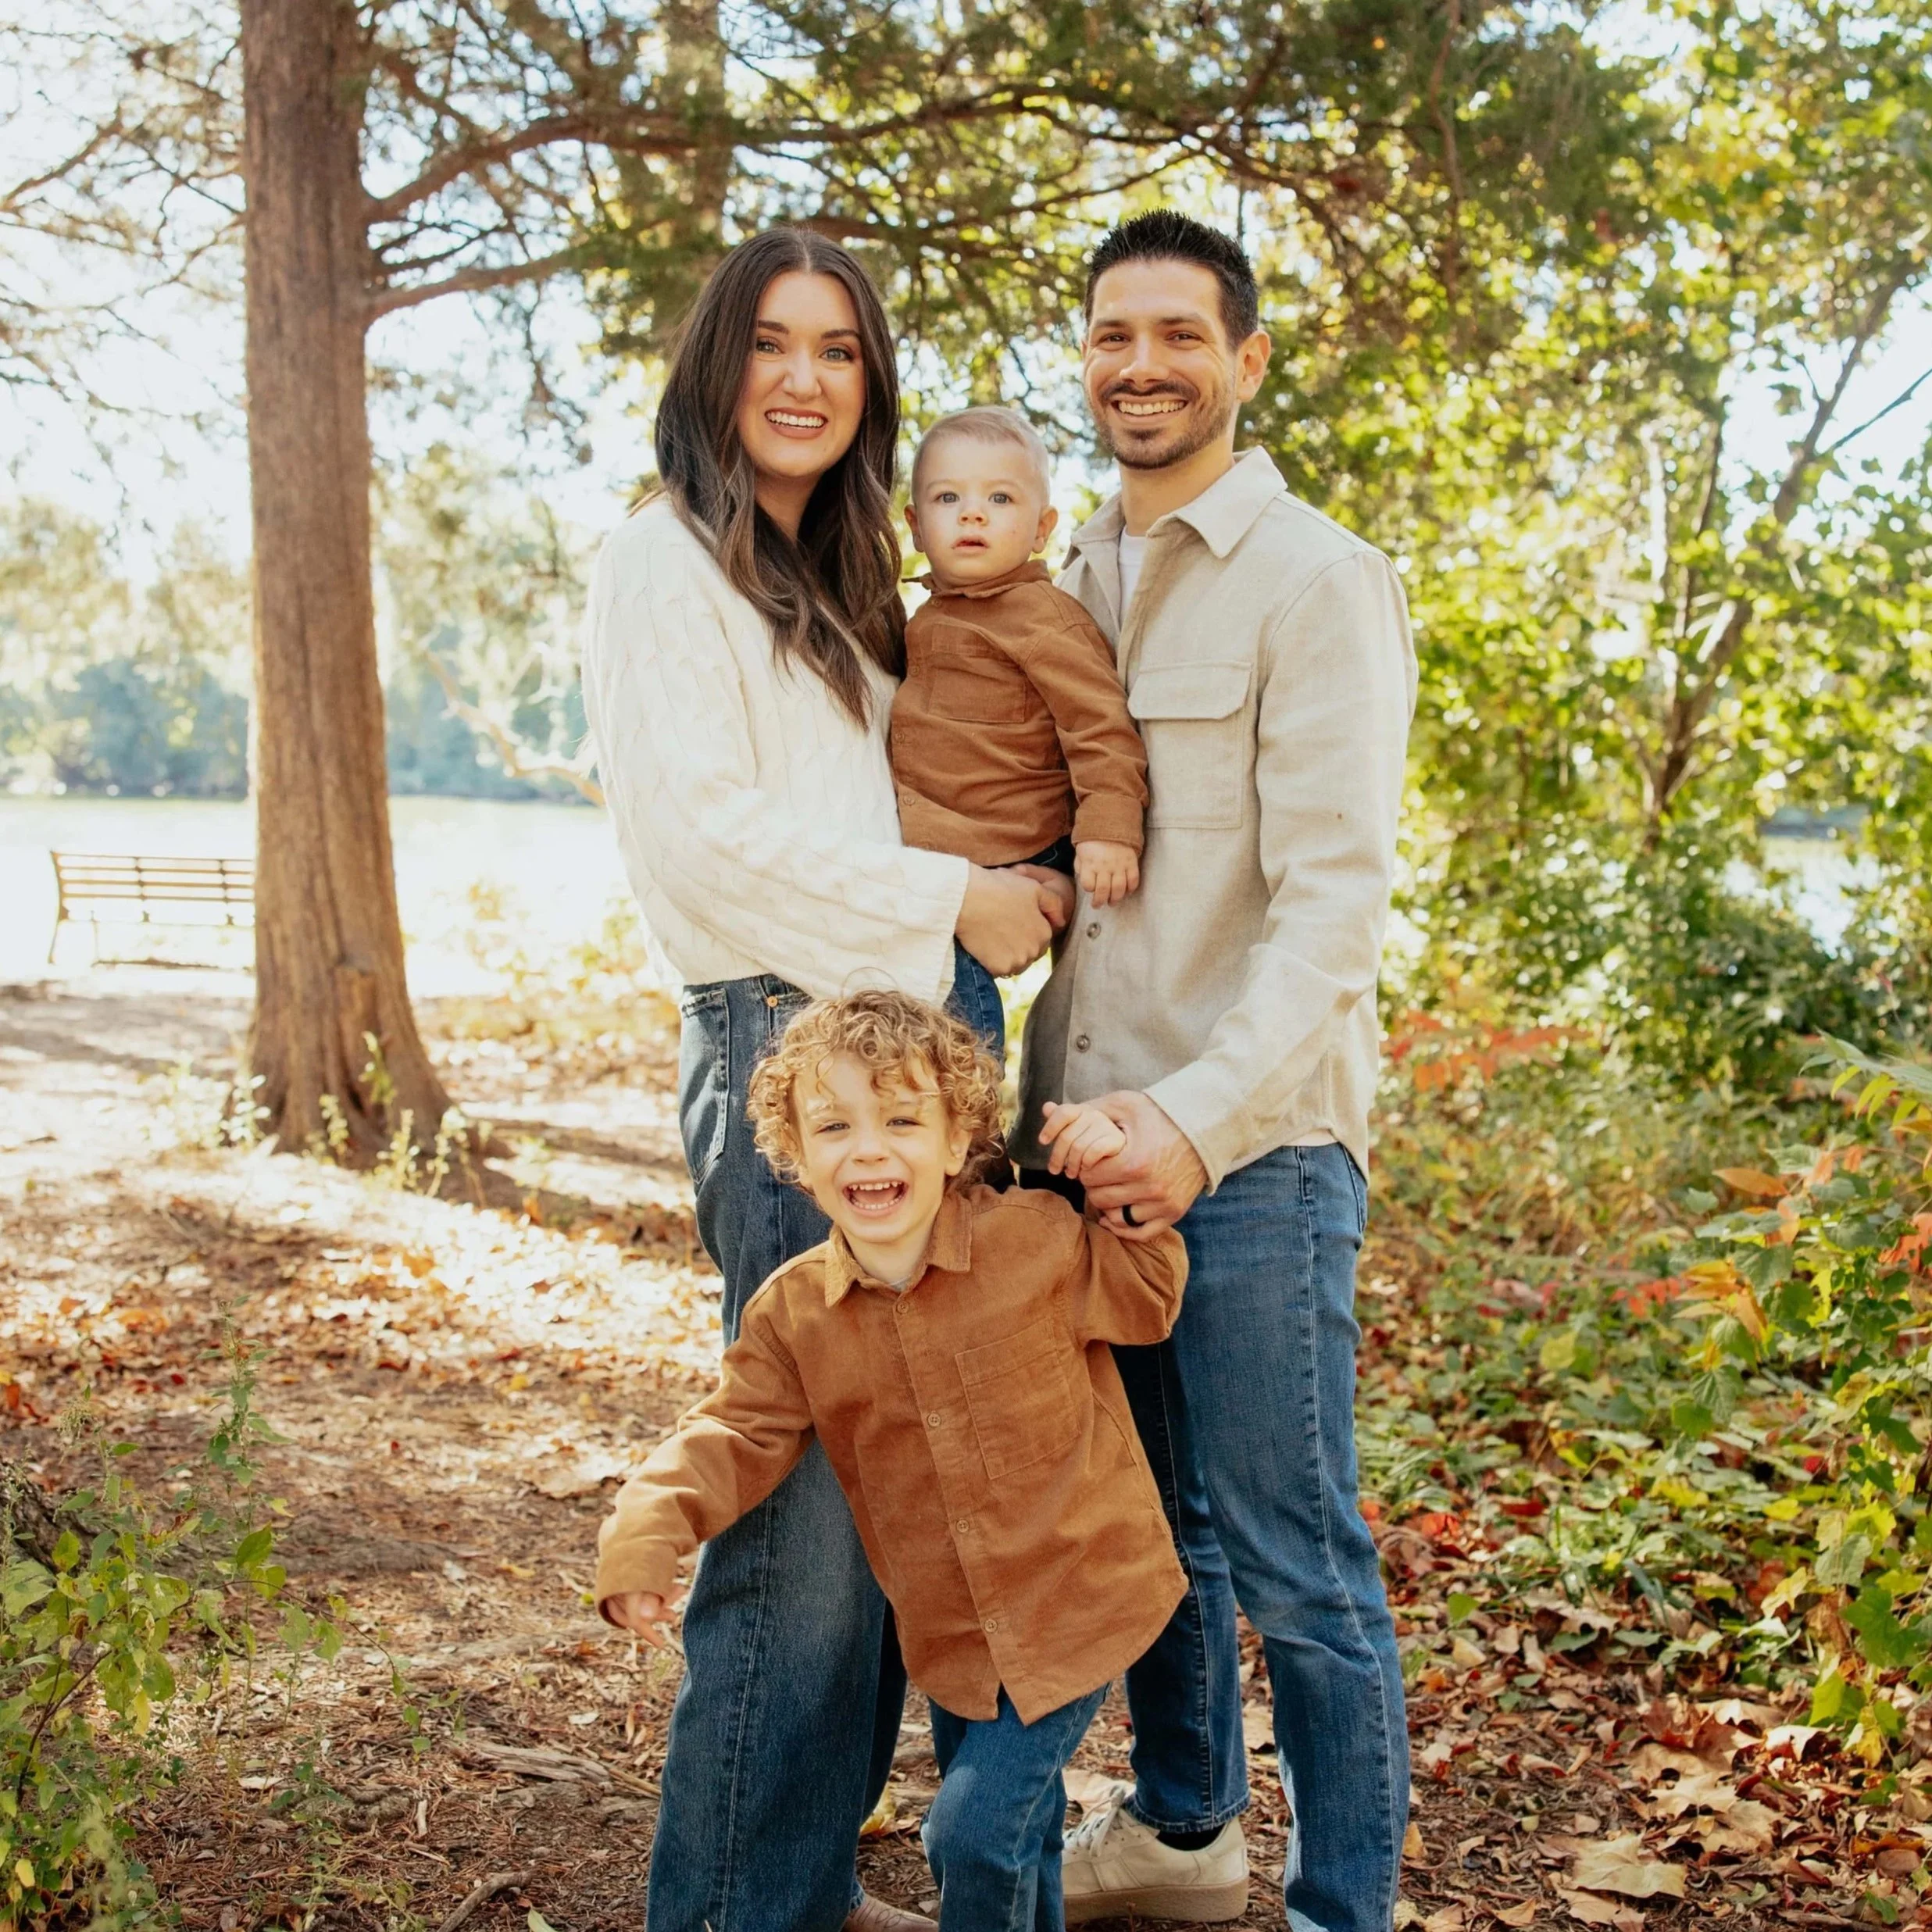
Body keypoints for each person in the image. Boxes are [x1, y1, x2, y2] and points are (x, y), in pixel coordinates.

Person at [579, 226, 1072, 1932]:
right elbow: (706, 846)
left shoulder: (843, 580)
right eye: (772, 343)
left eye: (839, 351)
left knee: (896, 1484)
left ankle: (794, 1872)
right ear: (717, 366)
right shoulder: (667, 566)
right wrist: (959, 902)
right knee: (797, 1501)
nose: (803, 376)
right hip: (796, 1045)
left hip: (914, 1048)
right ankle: (727, 1906)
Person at [1011, 212, 1420, 1932]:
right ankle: (1184, 1841)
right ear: (1084, 359)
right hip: (1081, 1142)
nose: (1143, 366)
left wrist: (1187, 1126)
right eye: (1113, 336)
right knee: (1148, 1533)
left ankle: (1344, 1907)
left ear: (1246, 361)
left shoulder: (1319, 580)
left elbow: (1333, 916)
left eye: (1181, 335)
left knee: (1296, 1557)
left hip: (1252, 1147)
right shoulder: (1050, 581)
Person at [596, 992, 1191, 1932]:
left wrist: (1123, 1179)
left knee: (972, 1836)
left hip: (1079, 1594)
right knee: (1019, 1838)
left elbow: (1148, 1301)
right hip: (956, 1636)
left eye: (902, 1119)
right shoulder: (797, 1314)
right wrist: (645, 1533)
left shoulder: (1034, 1239)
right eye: (833, 1125)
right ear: (795, 1155)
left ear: (957, 1141)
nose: (868, 1149)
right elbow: (730, 1432)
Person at [891, 406, 1148, 1057]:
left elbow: (1099, 725)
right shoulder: (921, 618)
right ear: (917, 526)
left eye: (999, 498)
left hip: (1003, 851)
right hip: (932, 863)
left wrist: (1108, 829)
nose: (972, 513)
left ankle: (969, 1137)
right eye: (948, 498)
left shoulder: (1043, 617)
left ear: (1041, 528)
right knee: (903, 1035)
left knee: (951, 1040)